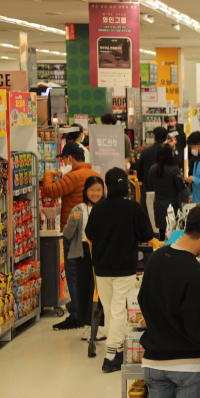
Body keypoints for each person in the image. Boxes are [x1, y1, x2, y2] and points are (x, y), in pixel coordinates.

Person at [139, 203, 200, 398]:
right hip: (188, 366)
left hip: (153, 363)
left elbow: (146, 301)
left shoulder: (156, 258)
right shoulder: (197, 274)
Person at [85, 168, 160, 373]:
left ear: (106, 186)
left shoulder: (98, 208)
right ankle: (110, 356)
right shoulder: (133, 208)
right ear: (126, 185)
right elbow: (146, 233)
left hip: (101, 267)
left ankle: (117, 349)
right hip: (124, 268)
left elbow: (88, 233)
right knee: (118, 311)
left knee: (110, 310)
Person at [42, 141, 102, 331]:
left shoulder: (73, 176)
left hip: (75, 232)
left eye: (65, 158)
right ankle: (85, 312)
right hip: (94, 233)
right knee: (89, 276)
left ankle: (76, 314)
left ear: (69, 158)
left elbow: (50, 191)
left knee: (74, 274)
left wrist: (49, 174)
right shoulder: (96, 174)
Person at [62, 176, 106, 341]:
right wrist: (73, 221)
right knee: (83, 289)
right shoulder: (78, 208)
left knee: (98, 290)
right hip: (82, 253)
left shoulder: (104, 207)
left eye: (98, 190)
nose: (95, 193)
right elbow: (67, 234)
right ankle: (87, 327)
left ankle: (96, 326)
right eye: (92, 190)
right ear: (86, 191)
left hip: (100, 252)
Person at [149, 144, 186, 240]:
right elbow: (180, 187)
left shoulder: (153, 169)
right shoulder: (174, 170)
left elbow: (150, 184)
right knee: (174, 233)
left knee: (162, 232)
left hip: (159, 204)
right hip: (173, 204)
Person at [136, 127, 169, 212]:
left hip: (148, 187)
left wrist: (142, 180)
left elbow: (139, 170)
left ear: (154, 136)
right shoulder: (169, 152)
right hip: (165, 189)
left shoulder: (145, 151)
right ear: (166, 138)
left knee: (147, 213)